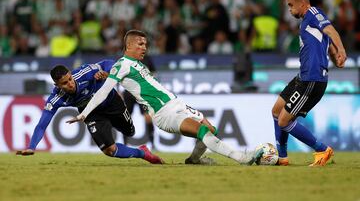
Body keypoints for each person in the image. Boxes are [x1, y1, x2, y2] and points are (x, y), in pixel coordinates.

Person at [67, 30, 264, 165]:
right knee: (203, 130)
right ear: (128, 45)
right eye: (140, 44)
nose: (144, 47)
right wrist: (84, 114)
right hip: (165, 113)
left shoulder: (139, 65)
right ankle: (242, 158)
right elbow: (103, 91)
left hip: (177, 104)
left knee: (212, 129)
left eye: (145, 44)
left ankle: (194, 160)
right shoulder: (122, 65)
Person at [16, 59, 163, 164]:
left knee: (130, 132)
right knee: (109, 151)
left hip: (112, 103)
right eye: (65, 83)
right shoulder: (55, 99)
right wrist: (31, 147)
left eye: (70, 79)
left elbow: (108, 63)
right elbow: (42, 124)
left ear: (71, 74)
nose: (70, 84)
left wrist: (107, 73)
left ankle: (134, 140)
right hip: (91, 112)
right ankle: (143, 153)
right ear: (57, 85)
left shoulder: (84, 72)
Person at [273, 0, 347, 166]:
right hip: (303, 76)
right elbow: (328, 45)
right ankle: (282, 157)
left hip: (312, 79)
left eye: (291, 5)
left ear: (302, 3)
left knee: (284, 121)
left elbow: (331, 31)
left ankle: (322, 149)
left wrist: (342, 49)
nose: (290, 10)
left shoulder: (314, 13)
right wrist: (337, 57)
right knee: (276, 110)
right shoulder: (307, 21)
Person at [122, 55, 156, 150]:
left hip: (142, 93)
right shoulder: (125, 59)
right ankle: (125, 144)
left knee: (148, 117)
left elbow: (153, 73)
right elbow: (118, 75)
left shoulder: (147, 59)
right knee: (126, 118)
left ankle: (153, 144)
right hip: (129, 92)